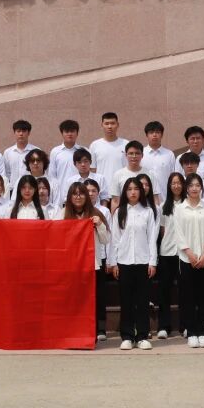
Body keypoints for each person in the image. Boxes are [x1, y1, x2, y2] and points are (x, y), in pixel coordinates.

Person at [109, 177, 158, 351]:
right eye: (129, 189)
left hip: (143, 262)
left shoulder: (148, 212)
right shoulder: (120, 212)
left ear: (141, 191)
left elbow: (151, 238)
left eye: (136, 189)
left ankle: (142, 336)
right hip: (124, 262)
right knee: (126, 301)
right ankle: (127, 336)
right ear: (125, 192)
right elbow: (114, 239)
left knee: (142, 301)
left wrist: (152, 262)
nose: (133, 192)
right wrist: (113, 262)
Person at [61, 182, 110, 340]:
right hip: (71, 266)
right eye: (74, 194)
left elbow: (106, 240)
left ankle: (91, 334)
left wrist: (99, 224)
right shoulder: (62, 214)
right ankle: (72, 333)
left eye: (81, 193)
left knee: (91, 301)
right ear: (69, 197)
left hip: (92, 265)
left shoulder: (95, 213)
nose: (78, 197)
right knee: (73, 301)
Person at [174, 173, 204, 349]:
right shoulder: (179, 209)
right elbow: (178, 233)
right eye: (191, 185)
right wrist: (190, 254)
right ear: (186, 188)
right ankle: (191, 332)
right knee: (189, 297)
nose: (194, 188)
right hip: (187, 259)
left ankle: (202, 332)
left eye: (197, 185)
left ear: (201, 188)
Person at [156, 171, 187, 340]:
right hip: (167, 252)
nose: (176, 186)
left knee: (185, 290)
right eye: (173, 183)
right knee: (164, 291)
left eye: (179, 183)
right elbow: (162, 230)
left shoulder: (188, 204)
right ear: (169, 186)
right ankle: (163, 326)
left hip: (184, 253)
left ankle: (185, 325)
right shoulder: (163, 206)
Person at [141, 121, 176, 203]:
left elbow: (173, 178)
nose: (154, 135)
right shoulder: (141, 153)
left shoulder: (169, 154)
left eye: (157, 132)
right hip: (144, 200)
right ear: (146, 135)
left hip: (165, 200)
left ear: (162, 135)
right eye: (151, 132)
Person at [89, 112, 128, 183]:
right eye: (106, 124)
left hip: (121, 185)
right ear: (102, 125)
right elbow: (92, 169)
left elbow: (129, 167)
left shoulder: (126, 144)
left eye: (113, 123)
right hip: (101, 186)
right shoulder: (95, 145)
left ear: (118, 125)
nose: (110, 126)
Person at [110, 141, 149, 211]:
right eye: (131, 153)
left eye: (137, 153)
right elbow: (115, 200)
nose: (134, 156)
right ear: (126, 155)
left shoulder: (149, 174)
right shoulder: (118, 174)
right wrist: (114, 216)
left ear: (142, 155)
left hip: (146, 213)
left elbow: (155, 198)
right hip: (125, 213)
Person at [3, 119, 39, 188]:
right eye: (18, 131)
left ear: (29, 133)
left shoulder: (36, 151)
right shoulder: (8, 152)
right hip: (12, 188)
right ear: (14, 133)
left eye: (24, 131)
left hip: (30, 188)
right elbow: (7, 172)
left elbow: (40, 172)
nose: (21, 134)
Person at [47, 119, 81, 184]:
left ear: (77, 133)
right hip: (61, 189)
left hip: (79, 189)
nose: (69, 134)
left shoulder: (83, 151)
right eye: (67, 131)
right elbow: (52, 175)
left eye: (72, 131)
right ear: (62, 133)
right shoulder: (55, 151)